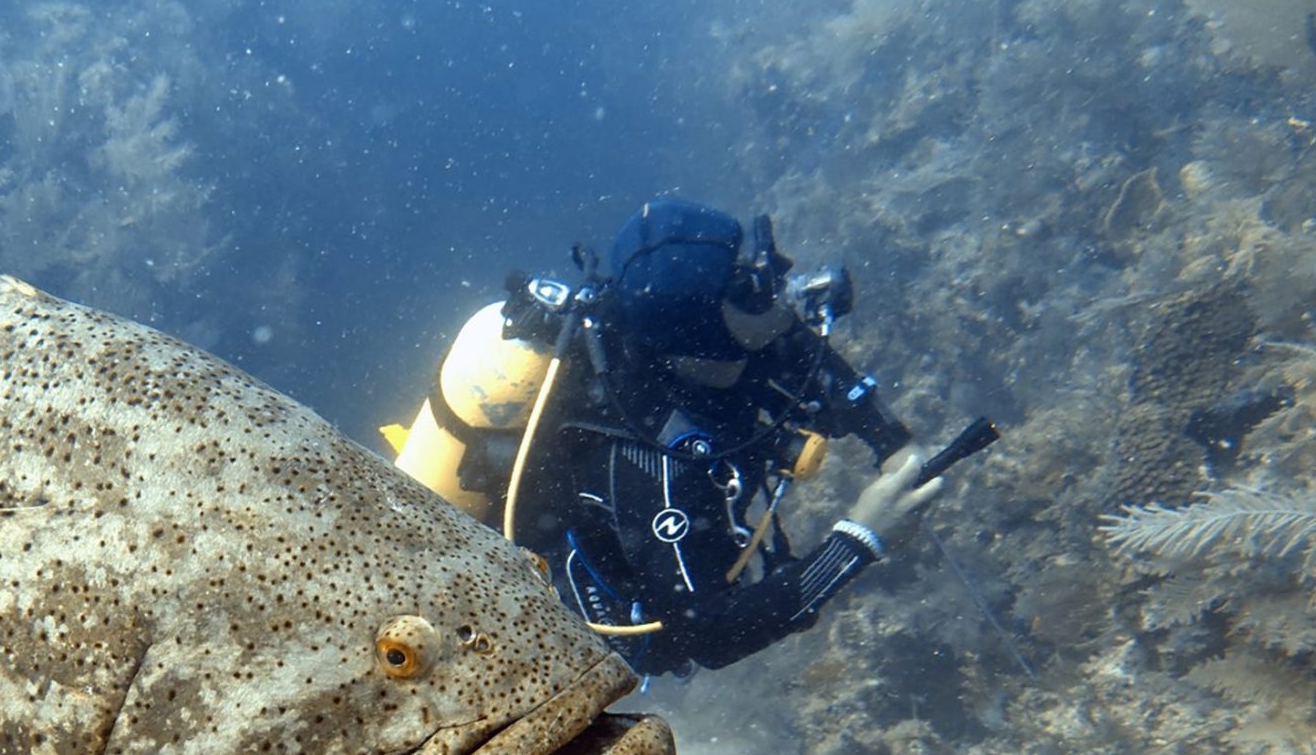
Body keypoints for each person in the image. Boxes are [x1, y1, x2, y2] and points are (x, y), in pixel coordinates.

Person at [385, 197, 956, 677]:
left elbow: (798, 353)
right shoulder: (655, 464)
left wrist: (892, 442)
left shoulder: (728, 343)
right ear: (701, 337)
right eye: (747, 290)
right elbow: (706, 632)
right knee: (640, 650)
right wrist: (861, 539)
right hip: (575, 612)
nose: (775, 288)